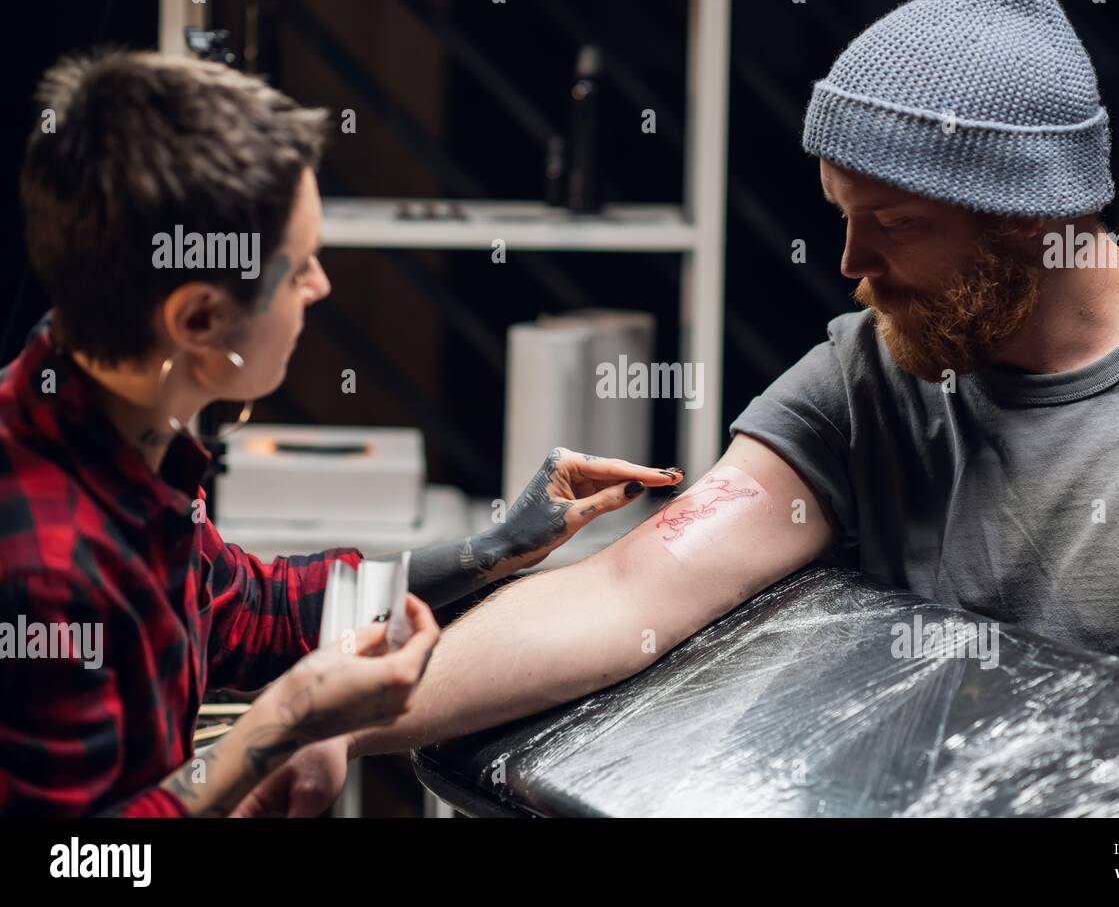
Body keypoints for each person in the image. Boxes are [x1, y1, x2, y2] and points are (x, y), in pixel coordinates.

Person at [246, 0, 1119, 815]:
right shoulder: (868, 373)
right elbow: (632, 592)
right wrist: (320, 717)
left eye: (887, 221)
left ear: (1030, 214)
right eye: (839, 212)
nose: (848, 261)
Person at [0, 52, 682, 816]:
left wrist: (488, 551)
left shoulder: (108, 432)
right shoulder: (47, 568)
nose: (321, 286)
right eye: (299, 270)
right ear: (198, 318)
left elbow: (246, 609)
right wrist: (275, 728)